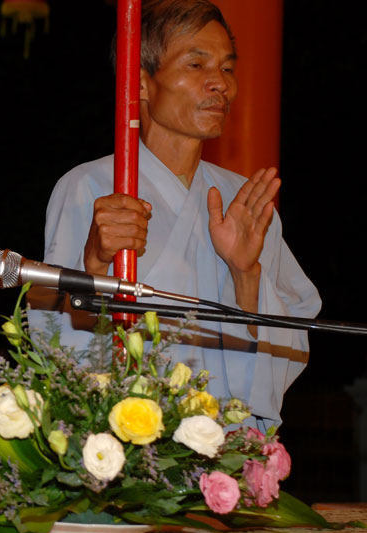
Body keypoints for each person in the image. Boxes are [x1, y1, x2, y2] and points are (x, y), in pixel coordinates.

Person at [28, 0, 320, 431]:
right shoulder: (90, 187)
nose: (220, 83)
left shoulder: (245, 203)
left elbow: (291, 343)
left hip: (224, 444)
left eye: (227, 67)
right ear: (141, 83)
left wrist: (246, 275)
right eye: (197, 64)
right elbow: (54, 343)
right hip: (132, 446)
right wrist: (95, 264)